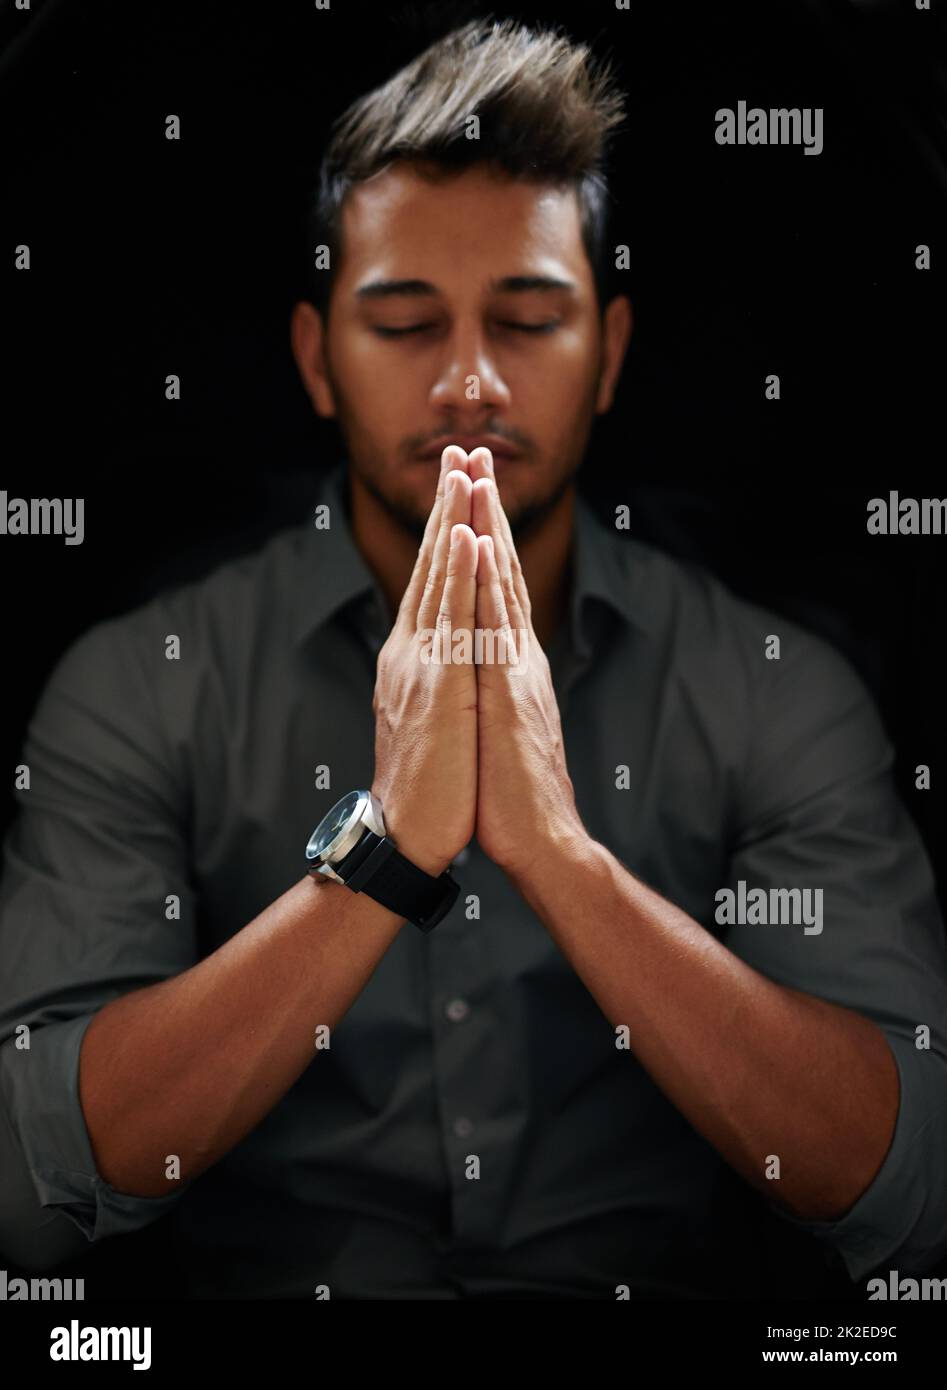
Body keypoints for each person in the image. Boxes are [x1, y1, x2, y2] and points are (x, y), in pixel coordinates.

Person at [1, 18, 946, 1300]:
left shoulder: (772, 686)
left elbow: (908, 1189)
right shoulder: (140, 684)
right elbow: (30, 1195)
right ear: (313, 357)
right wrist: (383, 857)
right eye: (402, 323)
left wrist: (562, 858)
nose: (466, 384)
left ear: (606, 352)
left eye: (526, 319)